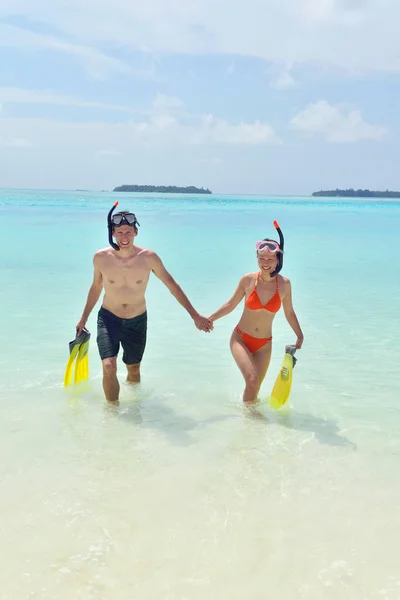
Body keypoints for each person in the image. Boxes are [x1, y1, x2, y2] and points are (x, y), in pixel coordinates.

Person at [76, 202, 213, 403]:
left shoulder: (148, 258)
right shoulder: (100, 257)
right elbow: (96, 287)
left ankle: (135, 407)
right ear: (112, 233)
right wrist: (83, 319)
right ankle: (112, 416)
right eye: (120, 232)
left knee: (134, 369)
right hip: (108, 318)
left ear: (136, 232)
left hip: (136, 320)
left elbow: (172, 286)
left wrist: (195, 315)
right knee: (108, 366)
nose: (124, 237)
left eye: (128, 232)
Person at [208, 221, 303, 403]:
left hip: (264, 345)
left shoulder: (285, 285)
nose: (265, 263)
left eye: (270, 259)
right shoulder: (248, 280)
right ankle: (251, 422)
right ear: (257, 258)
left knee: (255, 389)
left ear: (278, 260)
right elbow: (230, 304)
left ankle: (251, 425)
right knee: (252, 380)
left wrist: (299, 335)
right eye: (261, 258)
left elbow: (289, 313)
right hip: (241, 339)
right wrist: (210, 319)